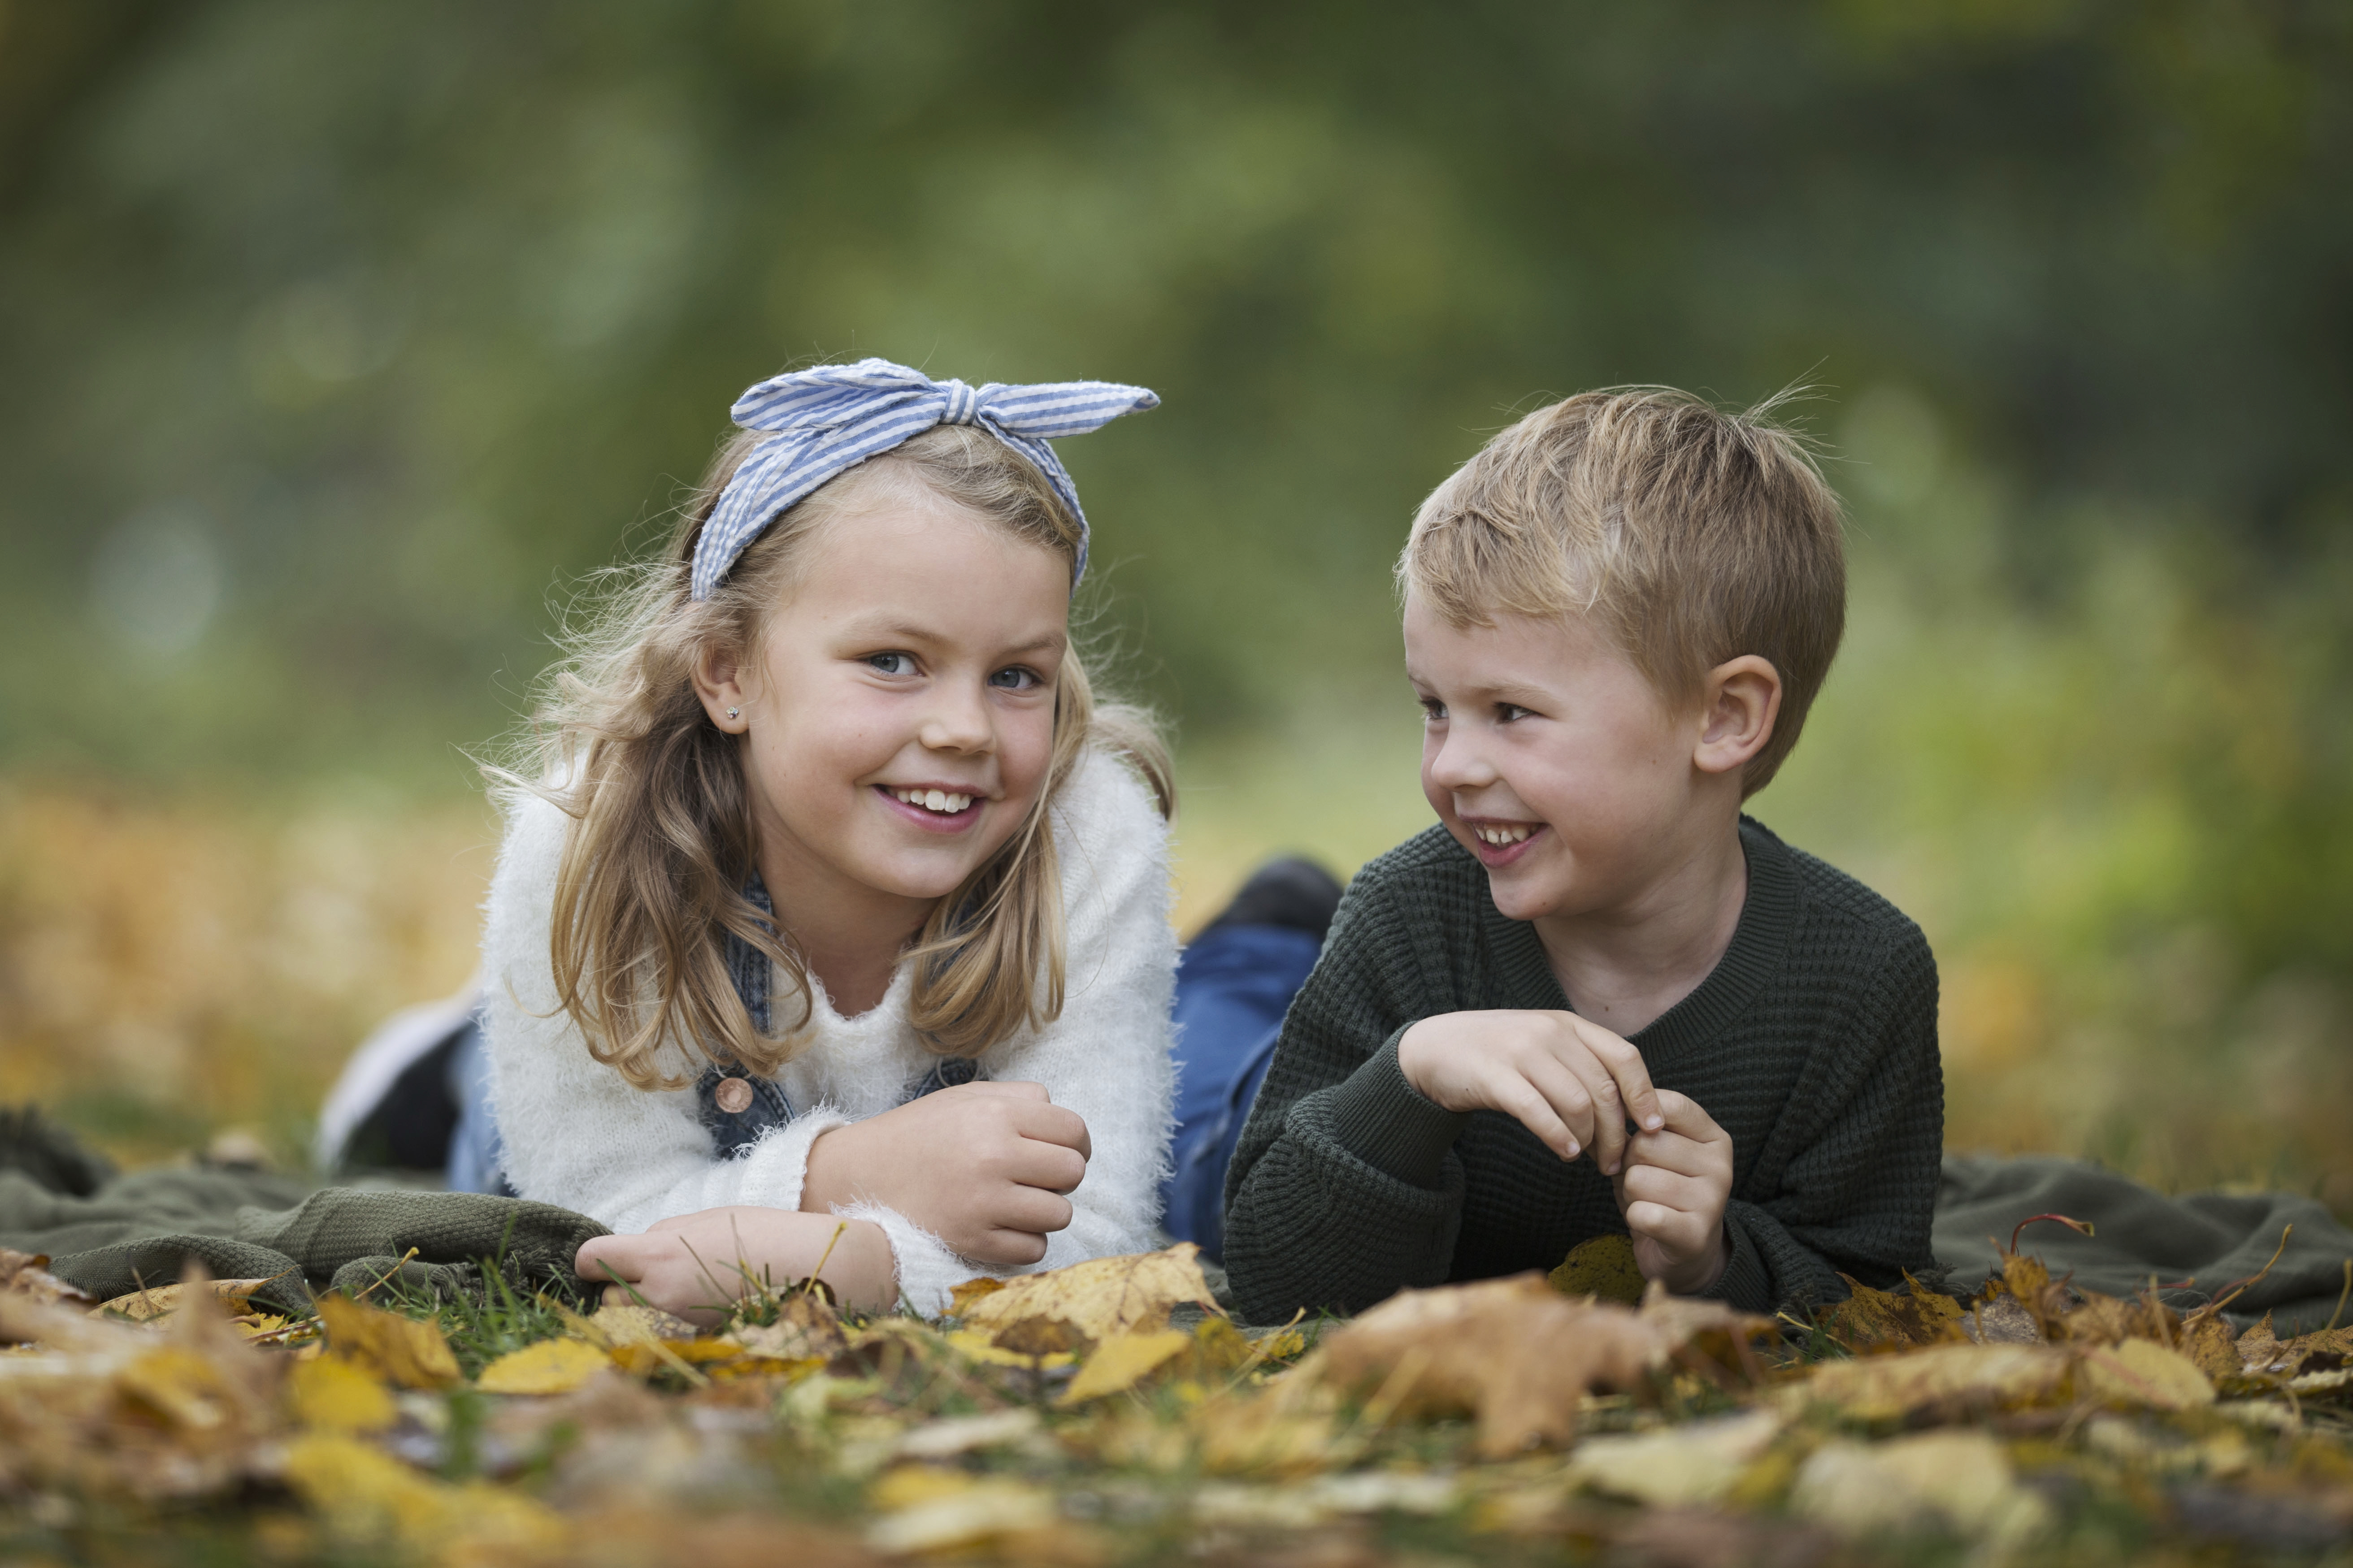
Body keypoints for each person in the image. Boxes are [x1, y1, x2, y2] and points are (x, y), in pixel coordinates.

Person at [1220, 387, 1945, 1322]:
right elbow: (1271, 1277)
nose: (1450, 765)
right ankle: (1259, 937)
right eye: (1432, 707)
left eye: (1510, 713)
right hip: (1232, 1075)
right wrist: (1411, 1077)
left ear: (1722, 718)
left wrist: (1713, 1263)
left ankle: (1272, 936)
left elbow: (1870, 1302)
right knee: (1209, 1070)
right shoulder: (1408, 915)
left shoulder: (1859, 976)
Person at [478, 359, 1182, 1319]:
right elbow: (607, 1236)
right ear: (727, 672)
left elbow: (1094, 1248)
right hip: (585, 1091)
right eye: (893, 662)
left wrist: (855, 1270)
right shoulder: (582, 851)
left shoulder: (1087, 833)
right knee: (471, 1126)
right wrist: (855, 1173)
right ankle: (425, 1063)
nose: (965, 731)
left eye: (1016, 676)